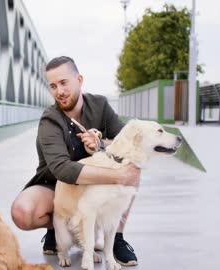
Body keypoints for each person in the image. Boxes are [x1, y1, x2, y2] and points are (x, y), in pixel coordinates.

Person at [10, 56, 141, 266]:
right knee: (22, 212)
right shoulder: (49, 120)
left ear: (79, 80)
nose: (59, 91)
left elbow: (125, 142)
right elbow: (62, 169)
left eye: (64, 83)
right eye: (53, 86)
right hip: (55, 185)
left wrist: (100, 144)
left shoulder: (100, 105)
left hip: (92, 185)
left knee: (133, 167)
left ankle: (116, 238)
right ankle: (56, 228)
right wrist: (117, 175)